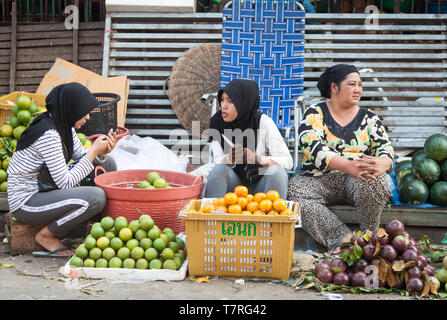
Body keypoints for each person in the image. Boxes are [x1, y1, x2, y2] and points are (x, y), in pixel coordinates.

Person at [287, 64, 394, 254]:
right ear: (334, 87)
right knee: (295, 190)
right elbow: (313, 148)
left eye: (360, 85)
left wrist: (383, 164)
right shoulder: (315, 114)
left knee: (377, 180)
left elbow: (385, 149)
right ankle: (341, 238)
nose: (358, 89)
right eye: (352, 84)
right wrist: (348, 166)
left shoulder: (370, 119)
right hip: (320, 179)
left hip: (358, 180)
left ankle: (368, 238)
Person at [7, 82, 117, 257]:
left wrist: (102, 153)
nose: (88, 117)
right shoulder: (49, 134)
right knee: (96, 198)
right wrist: (94, 151)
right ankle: (48, 235)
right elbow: (65, 183)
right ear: (71, 108)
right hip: (27, 201)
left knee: (107, 163)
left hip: (47, 188)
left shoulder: (63, 125)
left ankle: (99, 225)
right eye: (84, 111)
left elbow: (83, 156)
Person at [204, 78, 293, 199]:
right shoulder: (217, 121)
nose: (223, 106)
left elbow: (288, 161)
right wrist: (229, 160)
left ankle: (271, 217)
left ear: (244, 103)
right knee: (218, 171)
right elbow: (217, 160)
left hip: (261, 188)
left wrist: (257, 159)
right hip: (234, 189)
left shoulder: (263, 122)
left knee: (277, 172)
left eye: (230, 101)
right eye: (222, 100)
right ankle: (215, 215)